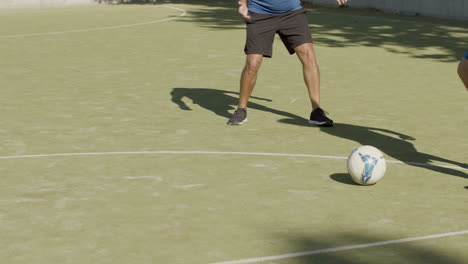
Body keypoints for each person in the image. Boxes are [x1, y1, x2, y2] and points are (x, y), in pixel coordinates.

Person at [227, 0, 348, 126]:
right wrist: (242, 4)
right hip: (259, 14)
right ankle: (241, 109)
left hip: (292, 13)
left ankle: (316, 111)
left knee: (309, 57)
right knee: (253, 63)